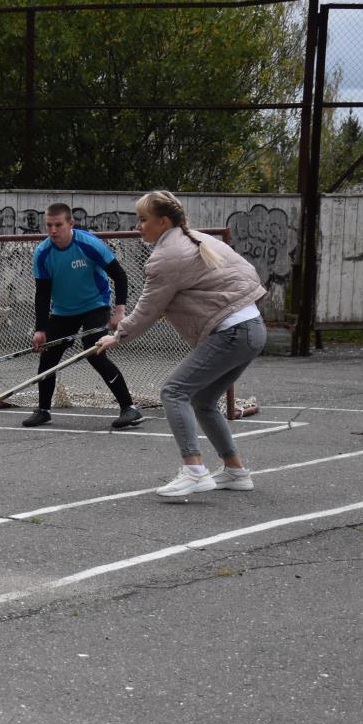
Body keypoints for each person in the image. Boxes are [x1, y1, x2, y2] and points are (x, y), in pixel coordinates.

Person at [97, 190, 266, 498]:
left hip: (232, 331)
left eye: (143, 220)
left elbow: (147, 308)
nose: (138, 226)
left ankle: (194, 470)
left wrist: (117, 336)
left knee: (174, 392)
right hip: (253, 328)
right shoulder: (199, 239)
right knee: (202, 401)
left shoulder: (166, 257)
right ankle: (236, 471)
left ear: (163, 222)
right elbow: (248, 274)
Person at [23, 203, 142, 429]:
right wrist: (41, 329)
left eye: (58, 225)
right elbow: (42, 294)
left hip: (95, 305)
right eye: (49, 225)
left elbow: (120, 275)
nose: (53, 230)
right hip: (63, 311)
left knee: (93, 349)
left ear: (71, 224)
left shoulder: (89, 244)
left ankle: (130, 408)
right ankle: (44, 410)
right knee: (48, 356)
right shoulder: (42, 253)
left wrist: (119, 311)